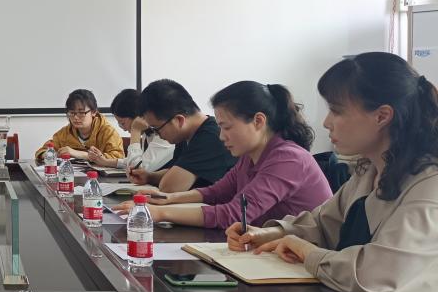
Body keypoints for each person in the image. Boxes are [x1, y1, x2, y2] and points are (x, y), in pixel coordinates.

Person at [228, 53, 438, 292]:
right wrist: (270, 234)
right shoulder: (369, 171)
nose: (327, 122)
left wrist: (306, 251)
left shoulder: (429, 184)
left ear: (382, 116)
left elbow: (376, 276)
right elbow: (323, 224)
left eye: (336, 111)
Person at [117, 81, 332, 228]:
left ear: (258, 121)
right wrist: (168, 199)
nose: (221, 136)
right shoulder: (250, 156)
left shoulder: (288, 158)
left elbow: (234, 214)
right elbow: (216, 192)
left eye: (227, 127)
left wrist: (160, 213)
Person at [128, 79, 236, 192]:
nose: (157, 135)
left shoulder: (211, 137)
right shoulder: (185, 135)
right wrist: (149, 177)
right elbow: (176, 170)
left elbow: (170, 188)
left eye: (156, 129)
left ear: (179, 120)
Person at [90, 88, 174, 172]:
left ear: (138, 117)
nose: (123, 128)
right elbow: (137, 160)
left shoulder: (164, 135)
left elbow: (138, 168)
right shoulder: (147, 133)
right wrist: (105, 161)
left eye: (122, 123)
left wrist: (135, 130)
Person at [32, 89, 125, 164]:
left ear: (93, 112)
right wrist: (54, 154)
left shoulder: (107, 131)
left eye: (81, 113)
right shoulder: (65, 132)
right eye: (72, 113)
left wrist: (81, 155)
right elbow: (42, 151)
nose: (76, 117)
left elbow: (119, 158)